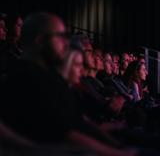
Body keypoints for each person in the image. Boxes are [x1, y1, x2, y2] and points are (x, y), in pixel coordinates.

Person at [0, 12, 137, 156]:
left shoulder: (52, 78)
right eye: (60, 36)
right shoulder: (25, 80)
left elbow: (81, 121)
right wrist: (121, 152)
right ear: (40, 40)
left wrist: (117, 144)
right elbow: (67, 135)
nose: (66, 43)